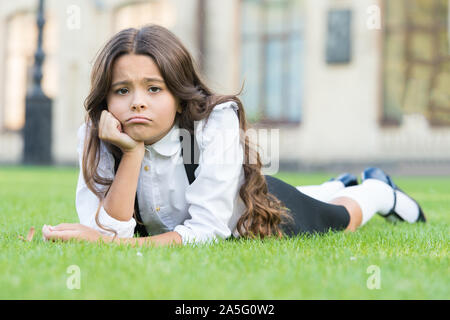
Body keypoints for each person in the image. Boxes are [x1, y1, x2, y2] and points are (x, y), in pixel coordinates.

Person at [42, 25, 426, 246]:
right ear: (106, 99)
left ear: (179, 97)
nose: (137, 103)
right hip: (219, 198)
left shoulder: (214, 121)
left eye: (154, 89)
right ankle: (330, 184)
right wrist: (131, 153)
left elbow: (207, 230)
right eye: (123, 90)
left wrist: (116, 246)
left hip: (250, 207)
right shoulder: (94, 136)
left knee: (339, 217)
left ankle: (379, 191)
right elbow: (107, 229)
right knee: (321, 194)